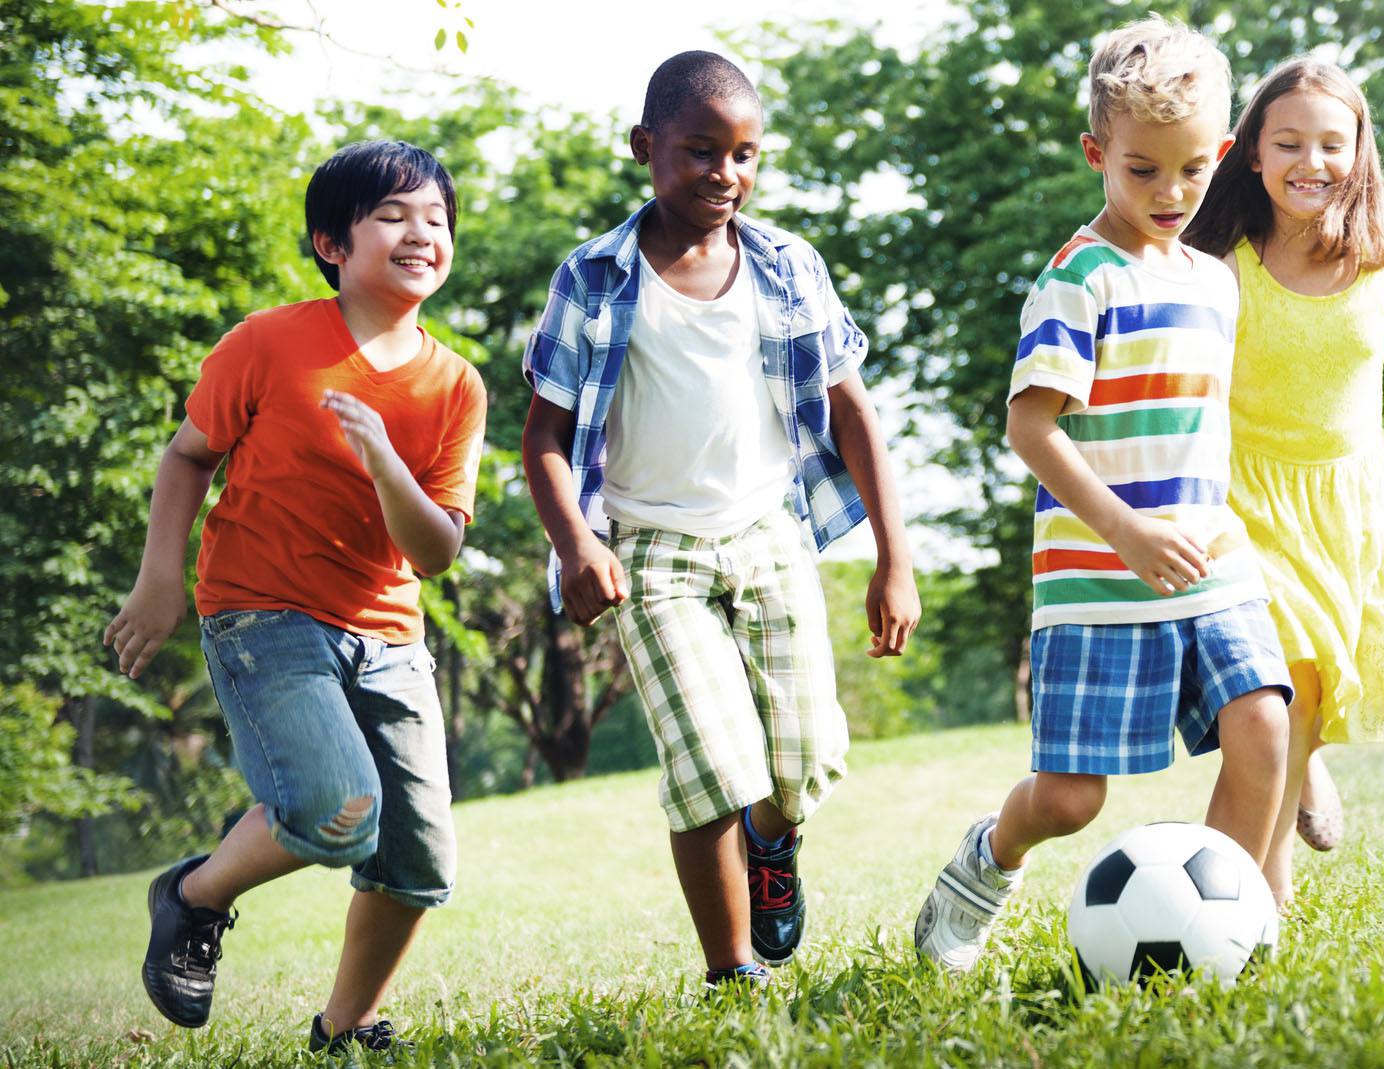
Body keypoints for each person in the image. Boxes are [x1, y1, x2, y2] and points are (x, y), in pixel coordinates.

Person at [520, 51, 919, 990]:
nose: (725, 175)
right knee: (706, 763)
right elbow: (545, 431)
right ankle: (731, 971)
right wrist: (576, 542)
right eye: (701, 151)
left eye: (745, 155)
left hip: (769, 533)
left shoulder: (786, 266)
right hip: (651, 554)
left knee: (804, 764)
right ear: (644, 148)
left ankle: (771, 844)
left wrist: (893, 559)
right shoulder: (594, 277)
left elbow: (852, 409)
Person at [913, 16, 1292, 971]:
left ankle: (1229, 928)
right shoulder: (1078, 279)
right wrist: (1124, 530)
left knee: (1263, 726)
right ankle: (981, 865)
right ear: (1098, 155)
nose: (1171, 194)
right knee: (1071, 797)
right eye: (1142, 171)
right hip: (1100, 575)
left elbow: (1203, 424)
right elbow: (1029, 427)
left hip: (1210, 560)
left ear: (1227, 159)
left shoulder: (1216, 281)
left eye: (1193, 170)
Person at [103, 140, 486, 1053]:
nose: (419, 232)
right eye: (392, 215)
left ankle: (345, 1028)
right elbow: (189, 454)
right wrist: (161, 579)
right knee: (337, 810)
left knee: (419, 858)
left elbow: (435, 550)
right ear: (332, 242)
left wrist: (389, 464)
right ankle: (192, 894)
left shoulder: (455, 386)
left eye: (435, 217)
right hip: (261, 616)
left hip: (389, 635)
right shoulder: (271, 343)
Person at [1183, 58, 1384, 901]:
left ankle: (1305, 771)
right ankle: (1262, 896)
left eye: (1332, 144)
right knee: (1286, 681)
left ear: (1360, 151)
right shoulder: (1226, 264)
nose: (1312, 161)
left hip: (1349, 499)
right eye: (1289, 142)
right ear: (1252, 155)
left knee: (1321, 675)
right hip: (1244, 502)